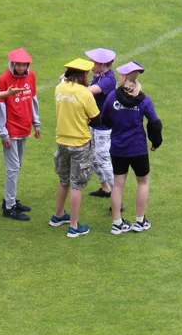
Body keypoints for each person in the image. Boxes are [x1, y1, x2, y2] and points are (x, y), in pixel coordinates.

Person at [100, 61, 163, 234]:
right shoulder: (144, 100)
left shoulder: (112, 97)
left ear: (124, 77)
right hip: (138, 149)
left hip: (118, 148)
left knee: (118, 185)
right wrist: (155, 142)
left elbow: (104, 120)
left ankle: (117, 223)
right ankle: (140, 221)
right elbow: (155, 123)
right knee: (143, 182)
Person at [49, 59, 101, 238]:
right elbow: (96, 119)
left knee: (64, 180)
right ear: (83, 75)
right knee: (76, 184)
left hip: (62, 140)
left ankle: (57, 216)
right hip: (80, 143)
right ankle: (73, 226)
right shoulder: (85, 94)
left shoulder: (59, 89)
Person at [0, 48, 40, 221]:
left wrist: (36, 123)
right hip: (11, 131)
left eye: (23, 64)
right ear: (13, 64)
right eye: (18, 64)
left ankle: (9, 199)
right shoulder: (4, 79)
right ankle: (9, 207)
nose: (21, 68)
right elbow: (0, 106)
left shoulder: (31, 76)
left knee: (17, 166)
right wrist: (3, 133)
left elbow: (32, 100)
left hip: (24, 129)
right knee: (13, 169)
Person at [85, 48, 117, 199]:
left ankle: (117, 196)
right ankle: (106, 188)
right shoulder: (98, 75)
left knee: (103, 158)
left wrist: (69, 83)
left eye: (93, 62)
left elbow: (88, 91)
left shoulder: (108, 80)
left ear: (102, 64)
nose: (91, 64)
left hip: (104, 127)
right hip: (93, 123)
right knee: (91, 156)